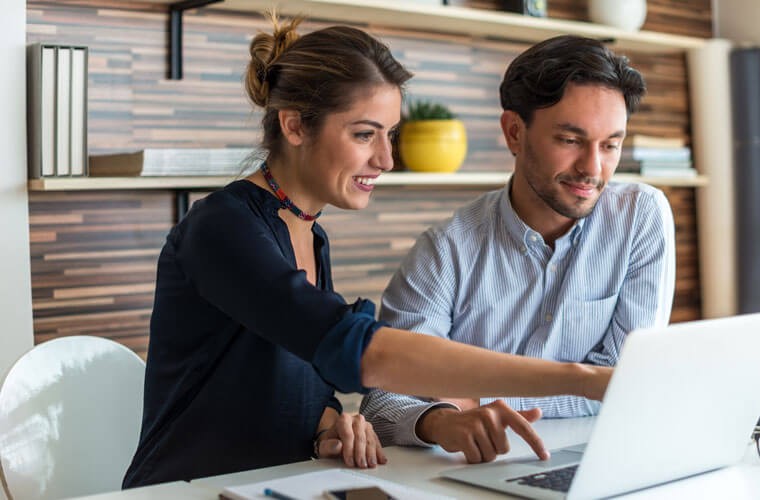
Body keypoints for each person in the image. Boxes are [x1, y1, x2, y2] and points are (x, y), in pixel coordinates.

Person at [122, 19, 614, 488]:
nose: (386, 159)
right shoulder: (222, 228)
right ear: (295, 126)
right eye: (364, 134)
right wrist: (581, 379)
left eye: (389, 134)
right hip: (183, 489)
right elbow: (363, 352)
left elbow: (287, 375)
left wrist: (330, 422)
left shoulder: (308, 232)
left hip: (269, 485)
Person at [360, 35, 676, 464]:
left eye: (610, 145)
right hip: (473, 472)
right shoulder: (445, 252)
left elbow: (624, 382)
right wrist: (441, 420)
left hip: (601, 458)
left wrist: (477, 400)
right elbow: (382, 399)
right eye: (570, 140)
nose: (593, 168)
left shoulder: (640, 217)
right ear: (514, 132)